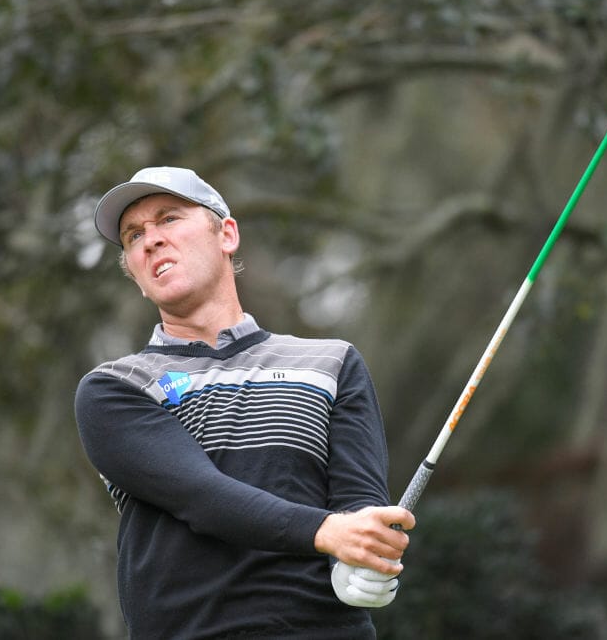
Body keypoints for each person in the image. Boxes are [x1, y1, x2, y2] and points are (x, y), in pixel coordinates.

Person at [74, 166, 415, 639]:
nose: (149, 241)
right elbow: (202, 496)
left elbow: (359, 509)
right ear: (133, 270)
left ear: (227, 234)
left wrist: (369, 556)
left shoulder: (331, 364)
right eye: (133, 236)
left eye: (169, 219)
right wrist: (329, 533)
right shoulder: (116, 386)